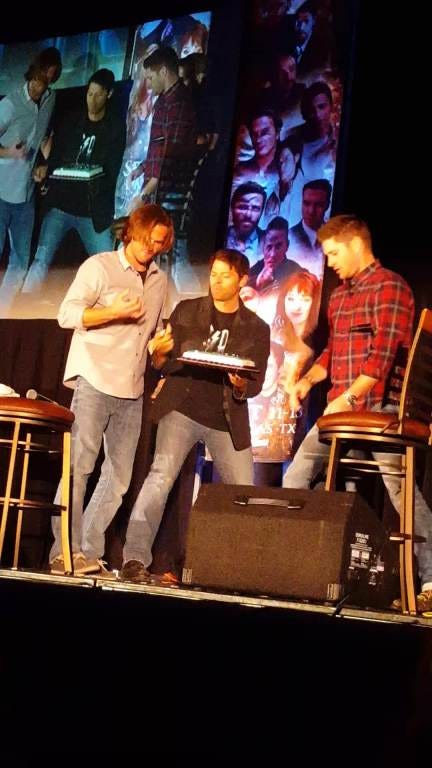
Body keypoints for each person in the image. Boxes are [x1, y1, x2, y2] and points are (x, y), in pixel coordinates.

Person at [282, 215, 432, 612]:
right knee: (296, 475)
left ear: (354, 244)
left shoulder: (390, 287)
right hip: (342, 412)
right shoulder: (339, 297)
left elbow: (381, 357)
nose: (330, 262)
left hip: (380, 408)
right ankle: (293, 567)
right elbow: (332, 352)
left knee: (400, 490)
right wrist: (307, 381)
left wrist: (348, 400)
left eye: (333, 253)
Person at [120, 248, 270, 583]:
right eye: (213, 274)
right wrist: (159, 355)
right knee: (160, 477)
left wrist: (241, 384)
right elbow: (163, 363)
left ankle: (243, 570)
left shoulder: (256, 328)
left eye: (225, 276)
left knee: (244, 491)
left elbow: (255, 384)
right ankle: (134, 559)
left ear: (242, 280)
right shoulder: (187, 310)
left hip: (227, 419)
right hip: (182, 408)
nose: (217, 281)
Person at [49, 204, 174, 575]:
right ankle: (63, 552)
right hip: (95, 377)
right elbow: (67, 314)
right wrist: (112, 312)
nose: (151, 248)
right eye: (147, 239)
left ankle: (87, 552)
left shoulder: (159, 281)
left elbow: (153, 345)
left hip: (132, 387)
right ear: (132, 232)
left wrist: (161, 351)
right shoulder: (100, 266)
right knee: (79, 468)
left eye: (159, 243)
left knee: (118, 479)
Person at [22, 68, 125, 294]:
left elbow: (112, 170)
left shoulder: (114, 127)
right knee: (40, 260)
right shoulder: (72, 121)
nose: (92, 100)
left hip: (92, 212)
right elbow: (56, 157)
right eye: (90, 94)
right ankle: (23, 305)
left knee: (109, 266)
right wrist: (46, 170)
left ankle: (117, 307)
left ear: (108, 94)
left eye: (98, 94)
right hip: (61, 205)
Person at [0, 46, 62, 313]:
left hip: (25, 195)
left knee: (20, 263)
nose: (41, 87)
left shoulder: (50, 100)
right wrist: (8, 152)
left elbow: (43, 138)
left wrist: (43, 164)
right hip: (1, 191)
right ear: (32, 74)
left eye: (48, 80)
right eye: (39, 79)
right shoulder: (10, 103)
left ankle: (2, 314)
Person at [128, 46, 196, 211]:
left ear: (164, 72)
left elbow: (171, 155)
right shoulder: (163, 101)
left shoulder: (179, 102)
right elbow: (159, 148)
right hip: (156, 191)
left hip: (168, 194)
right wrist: (142, 168)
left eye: (151, 78)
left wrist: (144, 195)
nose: (149, 85)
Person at [288, 179, 332, 275]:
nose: (311, 211)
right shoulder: (288, 237)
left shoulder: (334, 239)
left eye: (319, 205)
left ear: (327, 205)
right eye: (306, 203)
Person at [248, 216, 301, 292]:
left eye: (278, 247)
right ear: (263, 246)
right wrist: (258, 285)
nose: (272, 254)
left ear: (287, 246)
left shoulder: (298, 273)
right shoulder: (252, 273)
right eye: (269, 247)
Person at [226, 181, 266, 266]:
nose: (248, 215)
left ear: (261, 212)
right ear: (232, 207)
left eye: (255, 208)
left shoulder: (268, 242)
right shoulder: (220, 235)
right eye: (243, 207)